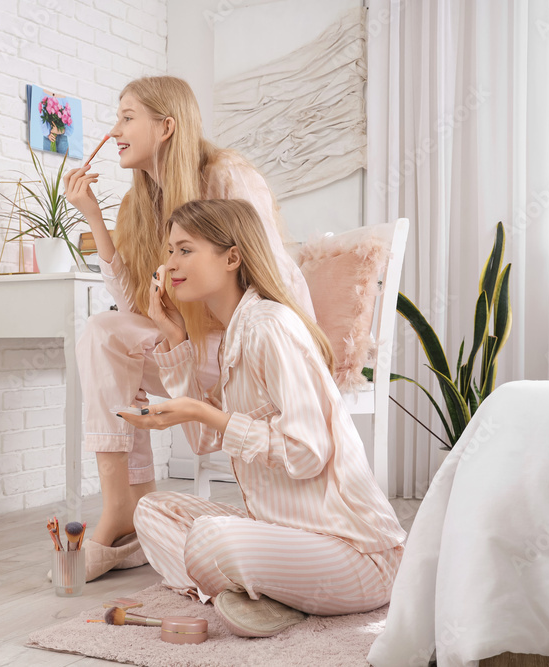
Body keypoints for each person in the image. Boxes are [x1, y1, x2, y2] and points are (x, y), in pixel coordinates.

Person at [63, 76, 314, 581]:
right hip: (190, 349)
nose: (114, 131)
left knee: (113, 340)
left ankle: (131, 524)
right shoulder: (138, 204)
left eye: (127, 116)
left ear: (166, 126)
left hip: (246, 349)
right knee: (103, 332)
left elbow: (273, 279)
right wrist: (93, 216)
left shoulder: (226, 177)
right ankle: (121, 510)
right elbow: (137, 305)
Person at [118, 199, 406, 637]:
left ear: (231, 257)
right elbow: (202, 439)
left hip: (356, 555)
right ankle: (249, 593)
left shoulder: (269, 327)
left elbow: (309, 453)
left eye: (184, 250)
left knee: (212, 539)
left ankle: (242, 589)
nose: (169, 263)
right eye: (170, 250)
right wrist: (174, 335)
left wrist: (201, 410)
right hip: (285, 533)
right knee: (153, 510)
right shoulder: (234, 332)